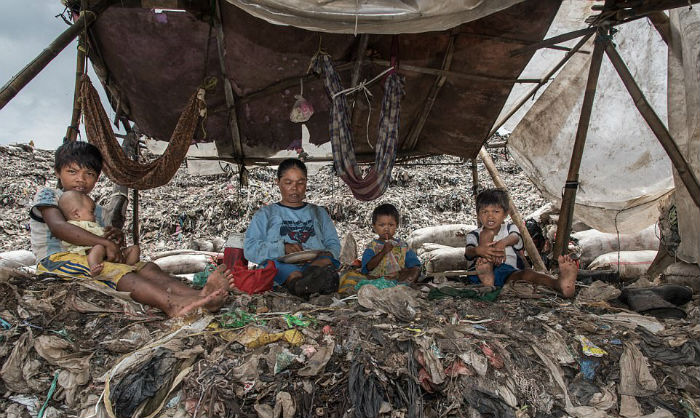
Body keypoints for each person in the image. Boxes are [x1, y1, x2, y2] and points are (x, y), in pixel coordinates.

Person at [30, 141, 231, 317]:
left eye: (89, 174)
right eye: (72, 172)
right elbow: (58, 227)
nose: (80, 179)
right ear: (58, 172)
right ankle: (172, 304)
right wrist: (103, 242)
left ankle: (200, 296)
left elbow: (103, 240)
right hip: (57, 260)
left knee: (147, 267)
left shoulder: (95, 209)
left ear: (97, 177)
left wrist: (115, 238)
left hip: (95, 257)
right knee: (117, 272)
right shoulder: (50, 195)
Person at [244, 158, 341, 297]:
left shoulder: (318, 212)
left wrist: (329, 253)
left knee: (326, 262)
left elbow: (333, 243)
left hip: (314, 264)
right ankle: (299, 285)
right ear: (278, 183)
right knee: (278, 267)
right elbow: (250, 249)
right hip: (281, 265)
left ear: (306, 183)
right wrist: (282, 248)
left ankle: (312, 281)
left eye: (300, 183)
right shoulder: (265, 214)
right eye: (288, 183)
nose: (294, 188)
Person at [464, 188, 577, 298]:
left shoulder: (510, 228)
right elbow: (469, 252)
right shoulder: (474, 234)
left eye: (496, 211)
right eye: (484, 212)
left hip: (508, 272)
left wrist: (502, 243)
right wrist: (479, 250)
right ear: (478, 214)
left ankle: (559, 284)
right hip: (479, 272)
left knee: (528, 274)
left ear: (505, 214)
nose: (490, 216)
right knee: (487, 234)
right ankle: (487, 271)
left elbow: (515, 237)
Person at [58, 190, 140, 276]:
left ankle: (128, 267)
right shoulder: (74, 225)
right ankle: (94, 266)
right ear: (77, 214)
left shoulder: (94, 224)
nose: (94, 215)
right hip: (89, 251)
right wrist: (104, 242)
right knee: (99, 247)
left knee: (134, 249)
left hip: (109, 252)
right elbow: (74, 237)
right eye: (91, 212)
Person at [361, 203, 421, 282]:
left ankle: (403, 286)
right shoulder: (372, 247)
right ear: (374, 227)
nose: (386, 229)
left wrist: (406, 271)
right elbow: (367, 268)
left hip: (399, 281)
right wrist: (383, 252)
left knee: (416, 270)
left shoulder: (403, 246)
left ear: (396, 225)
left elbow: (415, 265)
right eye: (382, 225)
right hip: (377, 281)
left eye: (391, 225)